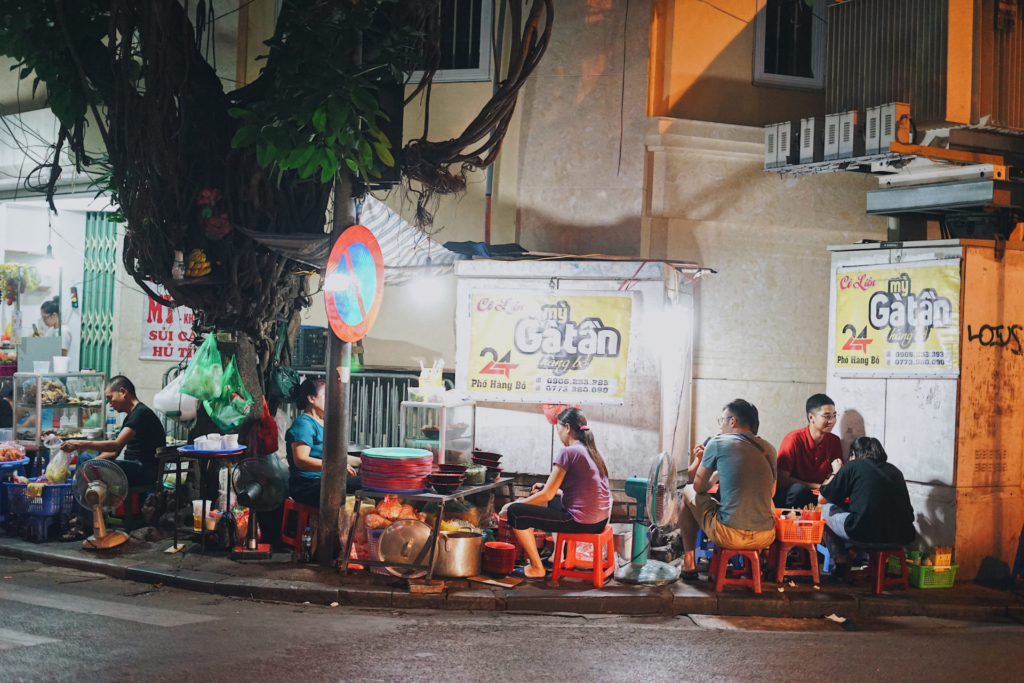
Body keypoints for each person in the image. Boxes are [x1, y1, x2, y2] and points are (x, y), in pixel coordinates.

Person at [500, 407, 611, 580]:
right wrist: (545, 488)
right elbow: (583, 489)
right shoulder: (594, 451)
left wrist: (512, 505)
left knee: (516, 513)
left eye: (558, 429)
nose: (559, 435)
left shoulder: (568, 452)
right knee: (550, 499)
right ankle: (556, 557)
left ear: (567, 427)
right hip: (600, 520)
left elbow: (547, 496)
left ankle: (537, 568)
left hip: (581, 522)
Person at [679, 399, 777, 579]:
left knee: (687, 491)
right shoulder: (770, 449)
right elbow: (771, 493)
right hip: (766, 537)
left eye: (722, 420)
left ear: (733, 421)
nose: (721, 425)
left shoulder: (717, 442)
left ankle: (689, 563)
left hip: (729, 534)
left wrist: (714, 477)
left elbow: (698, 487)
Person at [59, 375, 166, 540]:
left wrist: (80, 444)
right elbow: (115, 452)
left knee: (85, 460)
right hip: (134, 467)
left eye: (110, 398)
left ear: (122, 392)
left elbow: (116, 445)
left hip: (144, 470)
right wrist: (95, 463)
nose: (110, 403)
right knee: (86, 461)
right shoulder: (132, 416)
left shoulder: (141, 414)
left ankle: (84, 525)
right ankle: (87, 520)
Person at [818, 436, 916, 575]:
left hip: (863, 534)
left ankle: (840, 562)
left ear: (853, 454)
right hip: (902, 536)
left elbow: (822, 498)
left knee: (823, 509)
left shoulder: (853, 465)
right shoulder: (895, 470)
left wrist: (836, 472)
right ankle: (878, 566)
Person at [285, 377, 359, 507]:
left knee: (368, 479)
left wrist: (366, 462)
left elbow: (335, 458)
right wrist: (335, 466)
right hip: (306, 486)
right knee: (364, 484)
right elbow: (301, 460)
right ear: (311, 398)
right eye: (326, 395)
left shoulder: (323, 423)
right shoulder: (304, 423)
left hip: (322, 480)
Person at [774, 393, 843, 510]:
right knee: (798, 490)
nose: (832, 421)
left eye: (834, 416)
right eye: (826, 416)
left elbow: (837, 476)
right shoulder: (793, 439)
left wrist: (827, 484)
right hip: (793, 497)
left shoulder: (834, 441)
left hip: (817, 496)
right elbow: (781, 480)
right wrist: (819, 486)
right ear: (811, 417)